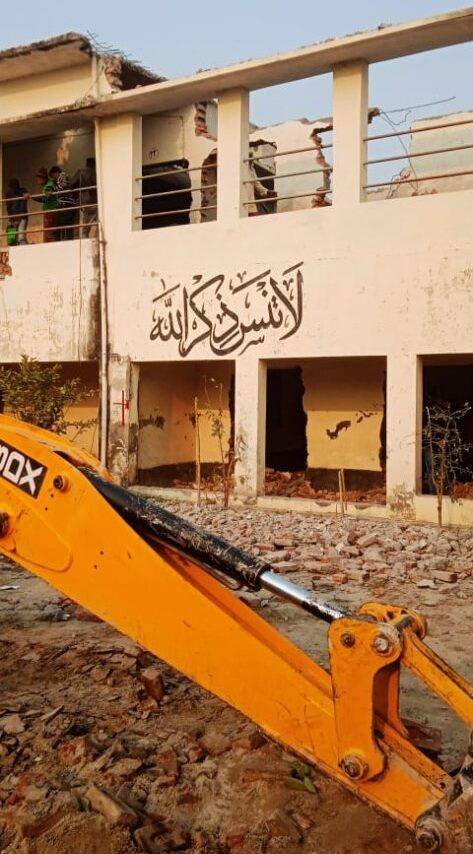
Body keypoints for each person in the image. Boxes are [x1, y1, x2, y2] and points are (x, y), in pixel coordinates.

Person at [71, 157, 97, 237]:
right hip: (97, 203)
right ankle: (97, 240)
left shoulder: (80, 172)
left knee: (85, 231)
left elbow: (71, 185)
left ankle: (86, 244)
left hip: (86, 204)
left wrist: (77, 195)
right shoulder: (97, 172)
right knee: (101, 226)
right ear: (94, 164)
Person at [49, 166, 76, 240]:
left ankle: (59, 239)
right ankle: (63, 239)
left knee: (61, 223)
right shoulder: (60, 179)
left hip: (66, 204)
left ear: (56, 173)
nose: (53, 178)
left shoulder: (62, 176)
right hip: (66, 204)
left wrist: (53, 190)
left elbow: (62, 187)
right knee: (65, 226)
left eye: (53, 176)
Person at [35, 167, 58, 243]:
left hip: (51, 211)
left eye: (38, 178)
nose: (37, 180)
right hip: (49, 211)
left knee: (49, 234)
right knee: (48, 233)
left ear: (43, 178)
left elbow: (45, 197)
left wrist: (31, 197)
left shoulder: (49, 185)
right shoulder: (48, 184)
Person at [5, 178, 29, 245]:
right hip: (13, 217)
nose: (14, 188)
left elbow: (27, 195)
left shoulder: (23, 190)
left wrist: (26, 195)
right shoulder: (9, 193)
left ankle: (25, 251)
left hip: (22, 217)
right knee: (11, 238)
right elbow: (8, 206)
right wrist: (10, 218)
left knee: (21, 237)